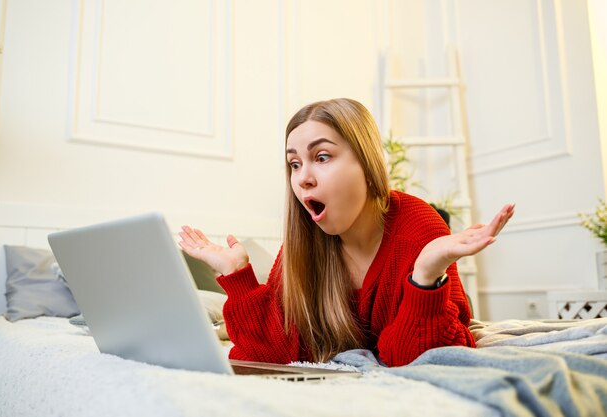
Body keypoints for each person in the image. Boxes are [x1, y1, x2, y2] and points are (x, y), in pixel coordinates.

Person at [179, 98, 514, 367]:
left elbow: (424, 359)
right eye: (294, 164)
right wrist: (236, 274)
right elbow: (274, 355)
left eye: (321, 157)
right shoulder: (304, 241)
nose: (303, 178)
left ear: (367, 166)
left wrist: (426, 275)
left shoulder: (418, 226)